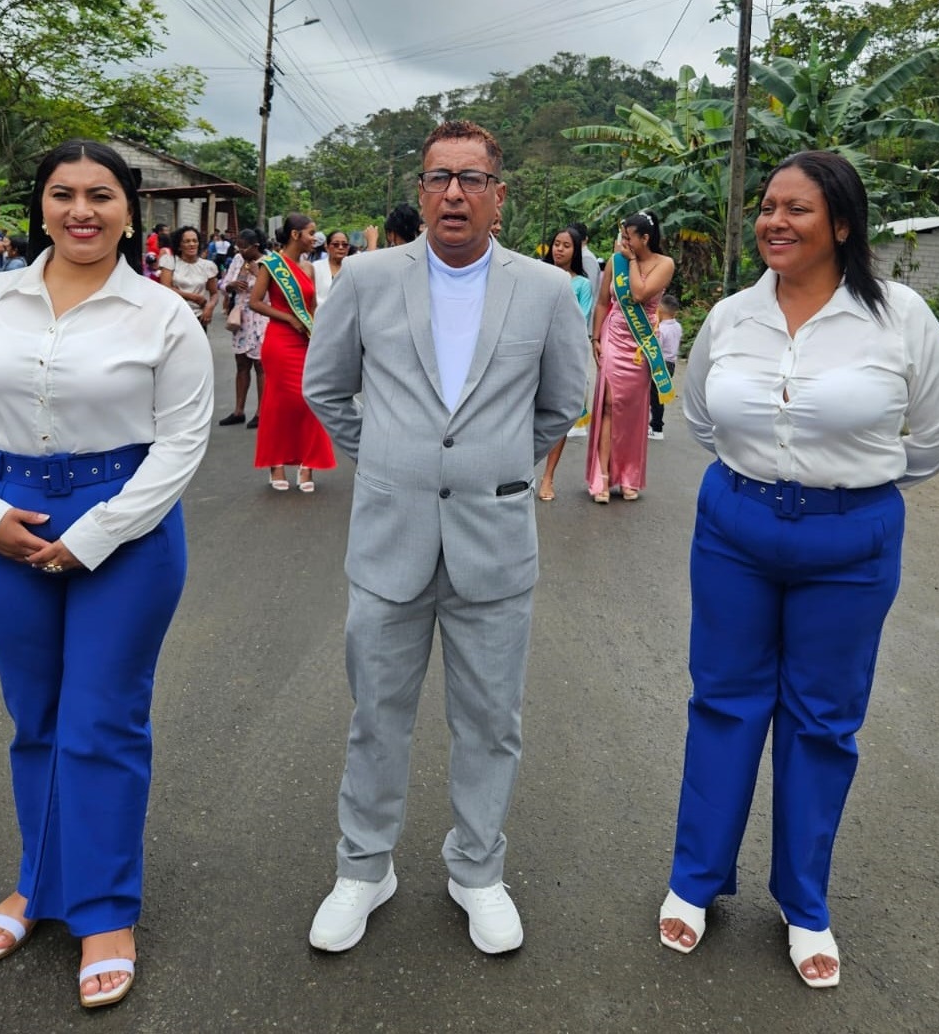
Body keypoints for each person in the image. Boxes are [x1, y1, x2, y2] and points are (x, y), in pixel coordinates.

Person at [660, 150, 939, 989]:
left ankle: (804, 903)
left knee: (822, 722)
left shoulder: (900, 317)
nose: (775, 221)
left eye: (796, 208)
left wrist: (850, 490)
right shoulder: (733, 316)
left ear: (841, 222)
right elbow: (701, 419)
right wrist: (768, 482)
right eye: (767, 206)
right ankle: (696, 879)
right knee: (723, 701)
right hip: (735, 529)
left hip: (850, 542)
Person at [0, 138, 214, 1008]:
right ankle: (39, 883)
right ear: (39, 207)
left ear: (129, 211)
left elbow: (182, 442)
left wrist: (97, 534)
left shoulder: (161, 315)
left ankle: (105, 909)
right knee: (36, 718)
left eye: (100, 195)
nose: (81, 211)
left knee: (102, 721)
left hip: (129, 524)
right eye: (62, 194)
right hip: (5, 517)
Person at [302, 119, 587, 956]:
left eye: (471, 179)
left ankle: (477, 870)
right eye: (437, 178)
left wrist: (492, 467)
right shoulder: (367, 279)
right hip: (390, 536)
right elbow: (327, 387)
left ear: (500, 196)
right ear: (420, 191)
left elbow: (561, 403)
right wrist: (391, 460)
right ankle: (364, 868)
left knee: (491, 720)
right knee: (376, 715)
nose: (453, 193)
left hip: (493, 541)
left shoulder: (545, 290)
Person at [585, 211, 674, 503]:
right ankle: (603, 475)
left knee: (633, 411)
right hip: (614, 335)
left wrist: (633, 261)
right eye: (622, 237)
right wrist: (596, 338)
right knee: (609, 405)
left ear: (645, 238)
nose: (623, 242)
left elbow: (639, 294)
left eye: (628, 237)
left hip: (641, 343)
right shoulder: (616, 261)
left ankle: (628, 476)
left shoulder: (664, 264)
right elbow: (602, 302)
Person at [249, 211, 335, 492]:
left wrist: (318, 334)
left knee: (309, 401)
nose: (315, 238)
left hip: (305, 340)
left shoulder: (309, 268)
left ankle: (307, 464)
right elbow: (255, 302)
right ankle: (276, 464)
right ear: (295, 235)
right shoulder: (271, 265)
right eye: (310, 232)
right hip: (280, 341)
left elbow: (311, 307)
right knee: (281, 402)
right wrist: (288, 318)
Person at [537, 226, 594, 501]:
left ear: (576, 251)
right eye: (556, 244)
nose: (559, 249)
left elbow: (579, 319)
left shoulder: (582, 284)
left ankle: (548, 476)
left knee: (557, 417)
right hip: (534, 353)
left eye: (566, 245)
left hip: (562, 358)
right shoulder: (538, 275)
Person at [218, 227, 269, 428]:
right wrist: (231, 285)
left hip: (262, 318)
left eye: (244, 247)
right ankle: (238, 410)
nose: (240, 251)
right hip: (241, 318)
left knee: (260, 365)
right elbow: (223, 284)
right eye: (238, 247)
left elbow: (274, 293)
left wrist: (258, 274)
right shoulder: (238, 260)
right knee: (241, 363)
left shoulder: (268, 262)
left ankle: (261, 412)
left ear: (256, 246)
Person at [159, 226, 219, 329]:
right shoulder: (170, 262)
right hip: (174, 316)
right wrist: (194, 297)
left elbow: (214, 293)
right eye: (187, 241)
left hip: (198, 317)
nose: (192, 244)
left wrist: (210, 306)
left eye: (194, 241)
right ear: (179, 246)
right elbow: (166, 288)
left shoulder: (207, 266)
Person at [648, 294, 682, 440]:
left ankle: (656, 428)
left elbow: (656, 348)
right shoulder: (677, 326)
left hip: (660, 365)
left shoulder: (661, 329)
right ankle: (654, 425)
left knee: (655, 397)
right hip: (671, 364)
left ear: (660, 309)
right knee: (658, 396)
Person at [311, 230, 350, 306]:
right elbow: (312, 295)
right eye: (336, 244)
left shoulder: (353, 267)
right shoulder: (316, 267)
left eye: (345, 245)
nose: (341, 247)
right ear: (327, 247)